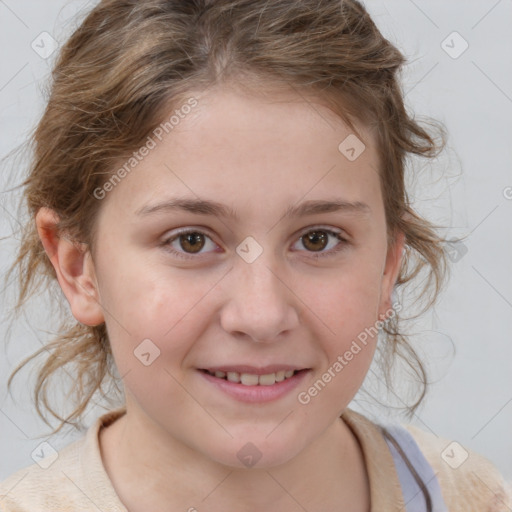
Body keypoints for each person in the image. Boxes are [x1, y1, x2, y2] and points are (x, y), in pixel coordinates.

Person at [1, 0, 510, 510]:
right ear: (78, 270)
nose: (262, 316)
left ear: (386, 266)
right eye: (191, 241)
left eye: (318, 239)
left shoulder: (473, 497)